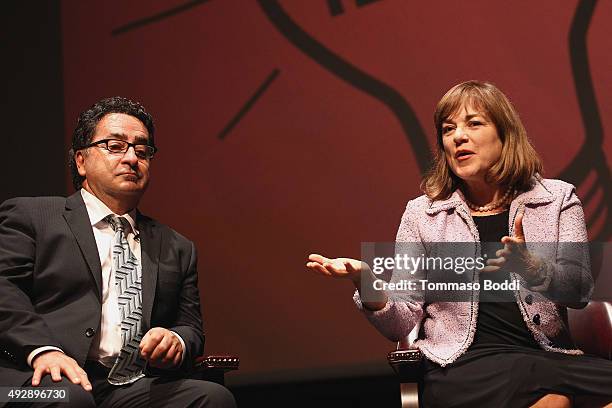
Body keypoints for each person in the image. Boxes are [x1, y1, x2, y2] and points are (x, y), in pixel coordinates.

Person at [307, 81, 612, 407]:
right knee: (554, 398)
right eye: (448, 129)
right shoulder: (423, 214)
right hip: (461, 367)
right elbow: (401, 320)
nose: (457, 137)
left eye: (473, 123)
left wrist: (530, 266)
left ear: (505, 134)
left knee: (554, 397)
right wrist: (365, 280)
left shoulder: (556, 199)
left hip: (546, 358)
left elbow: (578, 290)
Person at [0, 97, 236, 407]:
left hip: (125, 388)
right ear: (81, 161)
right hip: (29, 379)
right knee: (69, 399)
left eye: (142, 151)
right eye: (114, 146)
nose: (131, 159)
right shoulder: (33, 216)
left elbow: (190, 327)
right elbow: (4, 289)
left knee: (212, 398)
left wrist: (175, 340)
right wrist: (43, 350)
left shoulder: (177, 247)